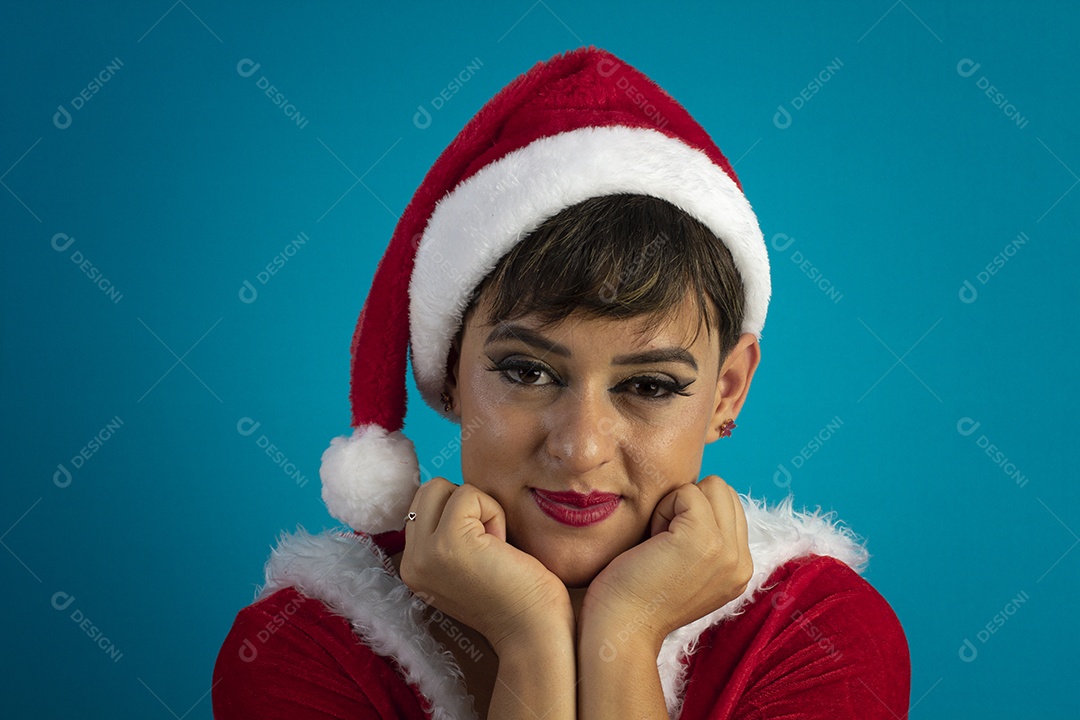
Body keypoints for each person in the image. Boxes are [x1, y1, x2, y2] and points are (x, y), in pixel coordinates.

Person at [212, 46, 910, 719]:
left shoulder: (820, 633)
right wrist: (528, 636)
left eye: (651, 386)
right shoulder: (308, 645)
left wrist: (625, 631)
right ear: (450, 373)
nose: (580, 449)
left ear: (726, 391)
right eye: (528, 372)